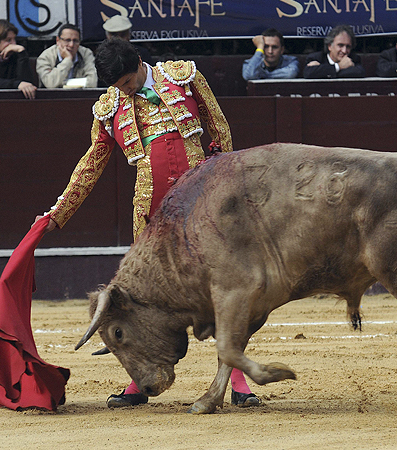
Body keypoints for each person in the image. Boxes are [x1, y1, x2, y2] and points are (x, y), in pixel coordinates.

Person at [33, 38, 260, 409]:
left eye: (127, 82)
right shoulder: (110, 107)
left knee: (222, 287)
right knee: (142, 302)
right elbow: (91, 164)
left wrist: (224, 191)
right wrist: (59, 213)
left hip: (202, 205)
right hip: (151, 218)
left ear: (139, 62)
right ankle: (139, 382)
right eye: (118, 86)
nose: (125, 90)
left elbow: (218, 130)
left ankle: (236, 380)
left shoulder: (184, 77)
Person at [0, 19, 36, 99]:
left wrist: (22, 53)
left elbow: (27, 83)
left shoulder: (16, 54)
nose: (13, 44)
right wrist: (16, 84)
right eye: (8, 40)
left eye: (14, 39)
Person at [36, 24, 98, 88]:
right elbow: (50, 84)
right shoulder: (46, 56)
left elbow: (92, 83)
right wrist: (67, 60)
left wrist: (64, 83)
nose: (71, 45)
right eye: (67, 40)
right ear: (58, 40)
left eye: (75, 41)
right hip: (53, 97)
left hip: (81, 96)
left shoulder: (86, 54)